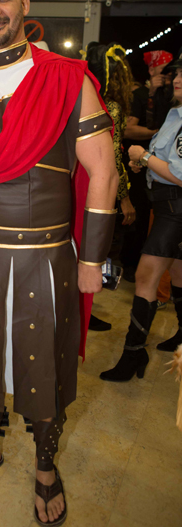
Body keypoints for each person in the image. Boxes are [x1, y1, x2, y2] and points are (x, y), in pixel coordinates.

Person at [0, 0, 118, 527]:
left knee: (44, 367)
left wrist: (92, 260)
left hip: (46, 256)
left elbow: (104, 172)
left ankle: (45, 466)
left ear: (24, 3)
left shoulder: (68, 79)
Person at [100, 61, 182, 382]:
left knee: (147, 276)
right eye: (177, 73)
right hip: (167, 206)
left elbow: (179, 174)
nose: (177, 79)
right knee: (178, 271)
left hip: (175, 209)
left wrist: (144, 157)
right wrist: (146, 163)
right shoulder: (175, 113)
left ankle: (133, 353)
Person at [86, 43, 136, 331]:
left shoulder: (87, 99)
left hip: (80, 184)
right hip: (100, 189)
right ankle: (84, 310)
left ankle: (82, 310)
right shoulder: (111, 107)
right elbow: (114, 155)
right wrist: (124, 198)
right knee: (97, 248)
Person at [121, 50, 174, 282]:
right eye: (165, 72)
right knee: (139, 215)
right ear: (152, 70)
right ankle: (130, 263)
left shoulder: (170, 96)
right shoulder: (141, 95)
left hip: (158, 166)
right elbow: (128, 129)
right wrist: (160, 135)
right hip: (140, 163)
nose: (170, 78)